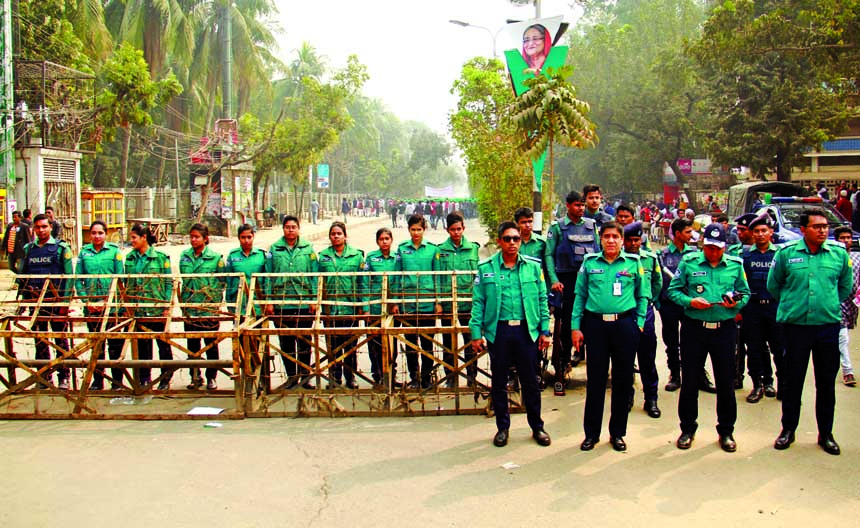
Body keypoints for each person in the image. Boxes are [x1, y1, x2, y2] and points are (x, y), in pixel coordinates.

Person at [769, 208, 852, 455]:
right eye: (816, 226)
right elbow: (775, 285)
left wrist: (826, 304)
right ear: (803, 229)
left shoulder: (837, 255)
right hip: (795, 328)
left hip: (827, 327)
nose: (823, 230)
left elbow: (845, 287)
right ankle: (788, 430)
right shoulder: (787, 254)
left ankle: (825, 433)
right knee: (792, 381)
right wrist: (795, 303)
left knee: (826, 383)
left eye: (825, 226)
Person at [668, 223, 750, 453]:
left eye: (718, 248)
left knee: (725, 382)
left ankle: (726, 431)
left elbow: (745, 293)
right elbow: (673, 290)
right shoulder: (689, 263)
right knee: (690, 381)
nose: (714, 252)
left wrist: (736, 303)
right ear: (703, 243)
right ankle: (687, 429)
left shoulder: (735, 265)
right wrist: (689, 302)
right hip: (695, 328)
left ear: (725, 246)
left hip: (724, 329)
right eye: (710, 247)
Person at [470, 221, 551, 448]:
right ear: (499, 242)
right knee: (499, 382)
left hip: (527, 331)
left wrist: (544, 330)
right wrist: (476, 333)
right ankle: (502, 428)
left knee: (530, 382)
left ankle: (537, 426)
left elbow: (542, 300)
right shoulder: (486, 269)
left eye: (516, 239)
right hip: (500, 332)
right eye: (508, 239)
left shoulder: (533, 267)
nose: (513, 243)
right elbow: (478, 302)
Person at [572, 222, 648, 452]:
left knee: (622, 381)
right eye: (607, 236)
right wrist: (576, 327)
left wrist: (640, 324)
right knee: (595, 381)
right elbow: (580, 296)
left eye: (615, 236)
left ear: (622, 240)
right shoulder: (590, 263)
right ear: (600, 239)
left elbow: (643, 295)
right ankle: (591, 434)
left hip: (624, 325)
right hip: (595, 326)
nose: (611, 240)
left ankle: (617, 433)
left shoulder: (634, 264)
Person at [544, 191, 599, 396]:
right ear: (568, 205)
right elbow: (548, 254)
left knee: (591, 323)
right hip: (565, 282)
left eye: (583, 205)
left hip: (587, 281)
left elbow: (598, 253)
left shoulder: (591, 226)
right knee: (565, 327)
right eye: (577, 205)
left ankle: (594, 368)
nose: (581, 208)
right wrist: (554, 280)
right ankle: (563, 365)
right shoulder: (557, 227)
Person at [658, 218, 716, 393]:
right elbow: (657, 280)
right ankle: (675, 374)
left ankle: (699, 375)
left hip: (691, 305)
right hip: (670, 305)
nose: (692, 235)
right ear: (677, 234)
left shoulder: (695, 254)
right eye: (688, 232)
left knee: (695, 342)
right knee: (672, 342)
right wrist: (658, 302)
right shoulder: (663, 255)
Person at [18, 214, 73, 389]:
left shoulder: (61, 248)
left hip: (56, 303)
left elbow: (69, 278)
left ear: (50, 227)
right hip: (36, 303)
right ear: (34, 229)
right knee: (40, 341)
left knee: (60, 341)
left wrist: (65, 304)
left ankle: (64, 377)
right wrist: (25, 301)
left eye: (44, 227)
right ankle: (43, 377)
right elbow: (23, 277)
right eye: (38, 227)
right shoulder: (28, 249)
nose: (41, 230)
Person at [267, 215, 318, 390]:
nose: (290, 230)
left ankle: (305, 376)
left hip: (303, 302)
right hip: (282, 302)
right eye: (287, 227)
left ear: (298, 229)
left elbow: (314, 275)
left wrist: (314, 300)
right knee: (286, 343)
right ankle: (291, 377)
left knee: (305, 342)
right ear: (283, 229)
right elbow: (268, 276)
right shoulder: (274, 249)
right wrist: (269, 301)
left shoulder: (307, 248)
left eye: (293, 227)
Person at [739, 211, 784, 403]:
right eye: (756, 231)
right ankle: (757, 385)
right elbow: (739, 284)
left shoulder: (780, 254)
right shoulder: (745, 255)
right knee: (754, 349)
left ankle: (778, 384)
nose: (760, 234)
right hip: (753, 309)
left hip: (775, 308)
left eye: (764, 230)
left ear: (771, 232)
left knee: (779, 349)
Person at [75, 220, 125, 390]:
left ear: (106, 234)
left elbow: (120, 279)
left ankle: (117, 382)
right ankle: (98, 381)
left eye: (100, 233)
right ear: (90, 235)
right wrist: (86, 301)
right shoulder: (84, 253)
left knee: (115, 346)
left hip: (111, 308)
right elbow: (78, 280)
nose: (97, 236)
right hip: (91, 308)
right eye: (94, 233)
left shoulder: (114, 252)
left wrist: (107, 301)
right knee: (97, 345)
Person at [123, 224, 174, 390]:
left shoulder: (160, 257)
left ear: (143, 237)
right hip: (138, 310)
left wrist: (166, 306)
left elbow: (168, 282)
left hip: (156, 307)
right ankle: (145, 379)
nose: (131, 241)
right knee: (142, 346)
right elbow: (125, 283)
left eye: (133, 237)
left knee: (163, 346)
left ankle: (165, 378)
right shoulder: (130, 258)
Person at [317, 221, 366, 389]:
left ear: (345, 236)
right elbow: (318, 281)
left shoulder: (357, 256)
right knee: (332, 345)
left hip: (350, 307)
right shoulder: (323, 256)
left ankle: (350, 377)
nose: (336, 236)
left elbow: (362, 281)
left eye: (339, 233)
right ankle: (334, 377)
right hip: (330, 309)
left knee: (351, 345)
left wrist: (362, 305)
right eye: (333, 234)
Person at [395, 214, 441, 389]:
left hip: (427, 302)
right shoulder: (401, 249)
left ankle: (427, 378)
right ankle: (414, 378)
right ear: (408, 230)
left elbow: (437, 277)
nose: (416, 233)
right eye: (413, 229)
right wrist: (396, 302)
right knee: (410, 344)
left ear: (424, 229)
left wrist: (438, 301)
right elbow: (396, 276)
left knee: (428, 344)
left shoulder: (432, 250)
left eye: (419, 229)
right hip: (407, 303)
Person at [623, 222, 663, 418]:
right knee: (625, 359)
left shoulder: (651, 259)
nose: (632, 243)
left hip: (645, 313)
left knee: (647, 358)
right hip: (625, 314)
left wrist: (650, 301)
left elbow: (657, 283)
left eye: (636, 240)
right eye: (629, 240)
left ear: (641, 240)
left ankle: (651, 399)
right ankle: (627, 396)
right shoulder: (619, 260)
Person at [179, 224, 226, 390]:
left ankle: (212, 377)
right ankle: (195, 376)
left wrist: (214, 303)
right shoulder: (184, 257)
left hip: (209, 308)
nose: (193, 239)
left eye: (197, 237)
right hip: (190, 308)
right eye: (191, 236)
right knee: (192, 345)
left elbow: (222, 282)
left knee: (211, 344)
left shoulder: (215, 258)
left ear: (205, 238)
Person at [437, 212, 481, 387]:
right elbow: (438, 278)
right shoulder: (440, 251)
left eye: (459, 229)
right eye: (453, 229)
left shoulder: (473, 248)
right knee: (448, 342)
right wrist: (439, 301)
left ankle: (472, 376)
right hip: (448, 304)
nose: (456, 232)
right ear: (447, 230)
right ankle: (450, 377)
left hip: (468, 304)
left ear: (464, 228)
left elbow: (478, 278)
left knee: (470, 341)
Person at [364, 227, 401, 385]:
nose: (384, 242)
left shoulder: (397, 259)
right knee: (374, 344)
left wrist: (396, 301)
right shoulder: (371, 258)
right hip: (374, 307)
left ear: (391, 240)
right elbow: (365, 283)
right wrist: (366, 307)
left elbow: (399, 281)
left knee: (392, 344)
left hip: (392, 309)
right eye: (381, 239)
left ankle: (391, 376)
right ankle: (378, 376)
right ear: (377, 241)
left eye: (387, 238)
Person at [225, 224, 271, 318]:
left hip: (257, 303)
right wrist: (229, 302)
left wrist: (268, 301)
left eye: (249, 237)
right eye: (243, 237)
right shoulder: (233, 256)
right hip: (238, 302)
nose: (246, 241)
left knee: (258, 331)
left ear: (253, 236)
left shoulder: (261, 255)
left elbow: (267, 279)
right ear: (238, 238)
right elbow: (229, 280)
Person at [833, 226, 857, 387]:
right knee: (843, 338)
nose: (846, 240)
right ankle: (847, 370)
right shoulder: (833, 258)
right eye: (843, 238)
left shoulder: (857, 258)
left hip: (852, 304)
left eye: (848, 237)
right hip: (836, 303)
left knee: (842, 337)